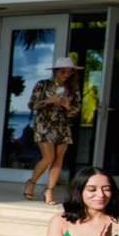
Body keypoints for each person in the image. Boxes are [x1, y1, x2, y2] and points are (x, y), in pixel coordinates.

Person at [25, 58, 82, 205]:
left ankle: (49, 190)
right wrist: (48, 101)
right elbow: (31, 105)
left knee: (59, 158)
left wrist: (68, 106)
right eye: (63, 71)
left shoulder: (72, 88)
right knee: (48, 157)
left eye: (69, 71)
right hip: (44, 124)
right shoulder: (42, 85)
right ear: (55, 70)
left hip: (63, 125)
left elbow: (76, 111)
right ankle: (31, 183)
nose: (66, 74)